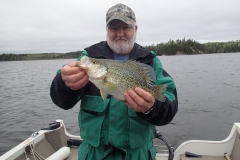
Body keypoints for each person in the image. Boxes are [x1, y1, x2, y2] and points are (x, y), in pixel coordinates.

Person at [50, 3, 178, 160]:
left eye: (126, 27)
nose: (120, 33)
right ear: (107, 30)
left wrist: (152, 107)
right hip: (94, 155)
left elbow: (170, 106)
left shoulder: (150, 61)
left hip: (138, 155)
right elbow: (62, 101)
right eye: (114, 28)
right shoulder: (90, 58)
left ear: (135, 29)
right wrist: (65, 84)